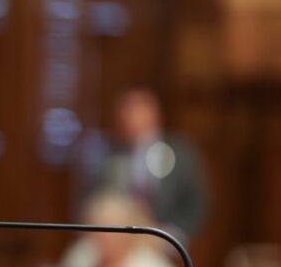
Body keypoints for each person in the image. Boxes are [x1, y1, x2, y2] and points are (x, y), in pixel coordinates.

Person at [83, 87, 209, 244]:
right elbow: (97, 202)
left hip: (166, 239)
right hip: (119, 240)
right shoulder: (109, 156)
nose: (131, 118)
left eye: (138, 110)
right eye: (126, 111)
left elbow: (195, 203)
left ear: (155, 114)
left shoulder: (180, 153)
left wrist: (174, 234)